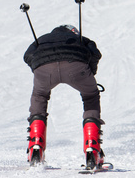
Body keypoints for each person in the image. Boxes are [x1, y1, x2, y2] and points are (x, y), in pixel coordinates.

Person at [23, 24, 105, 169]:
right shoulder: (79, 38)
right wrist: (91, 71)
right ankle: (93, 150)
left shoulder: (42, 39)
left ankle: (35, 148)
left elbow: (27, 56)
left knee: (40, 96)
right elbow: (95, 53)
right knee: (90, 96)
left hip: (43, 68)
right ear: (73, 32)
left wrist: (38, 69)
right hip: (76, 65)